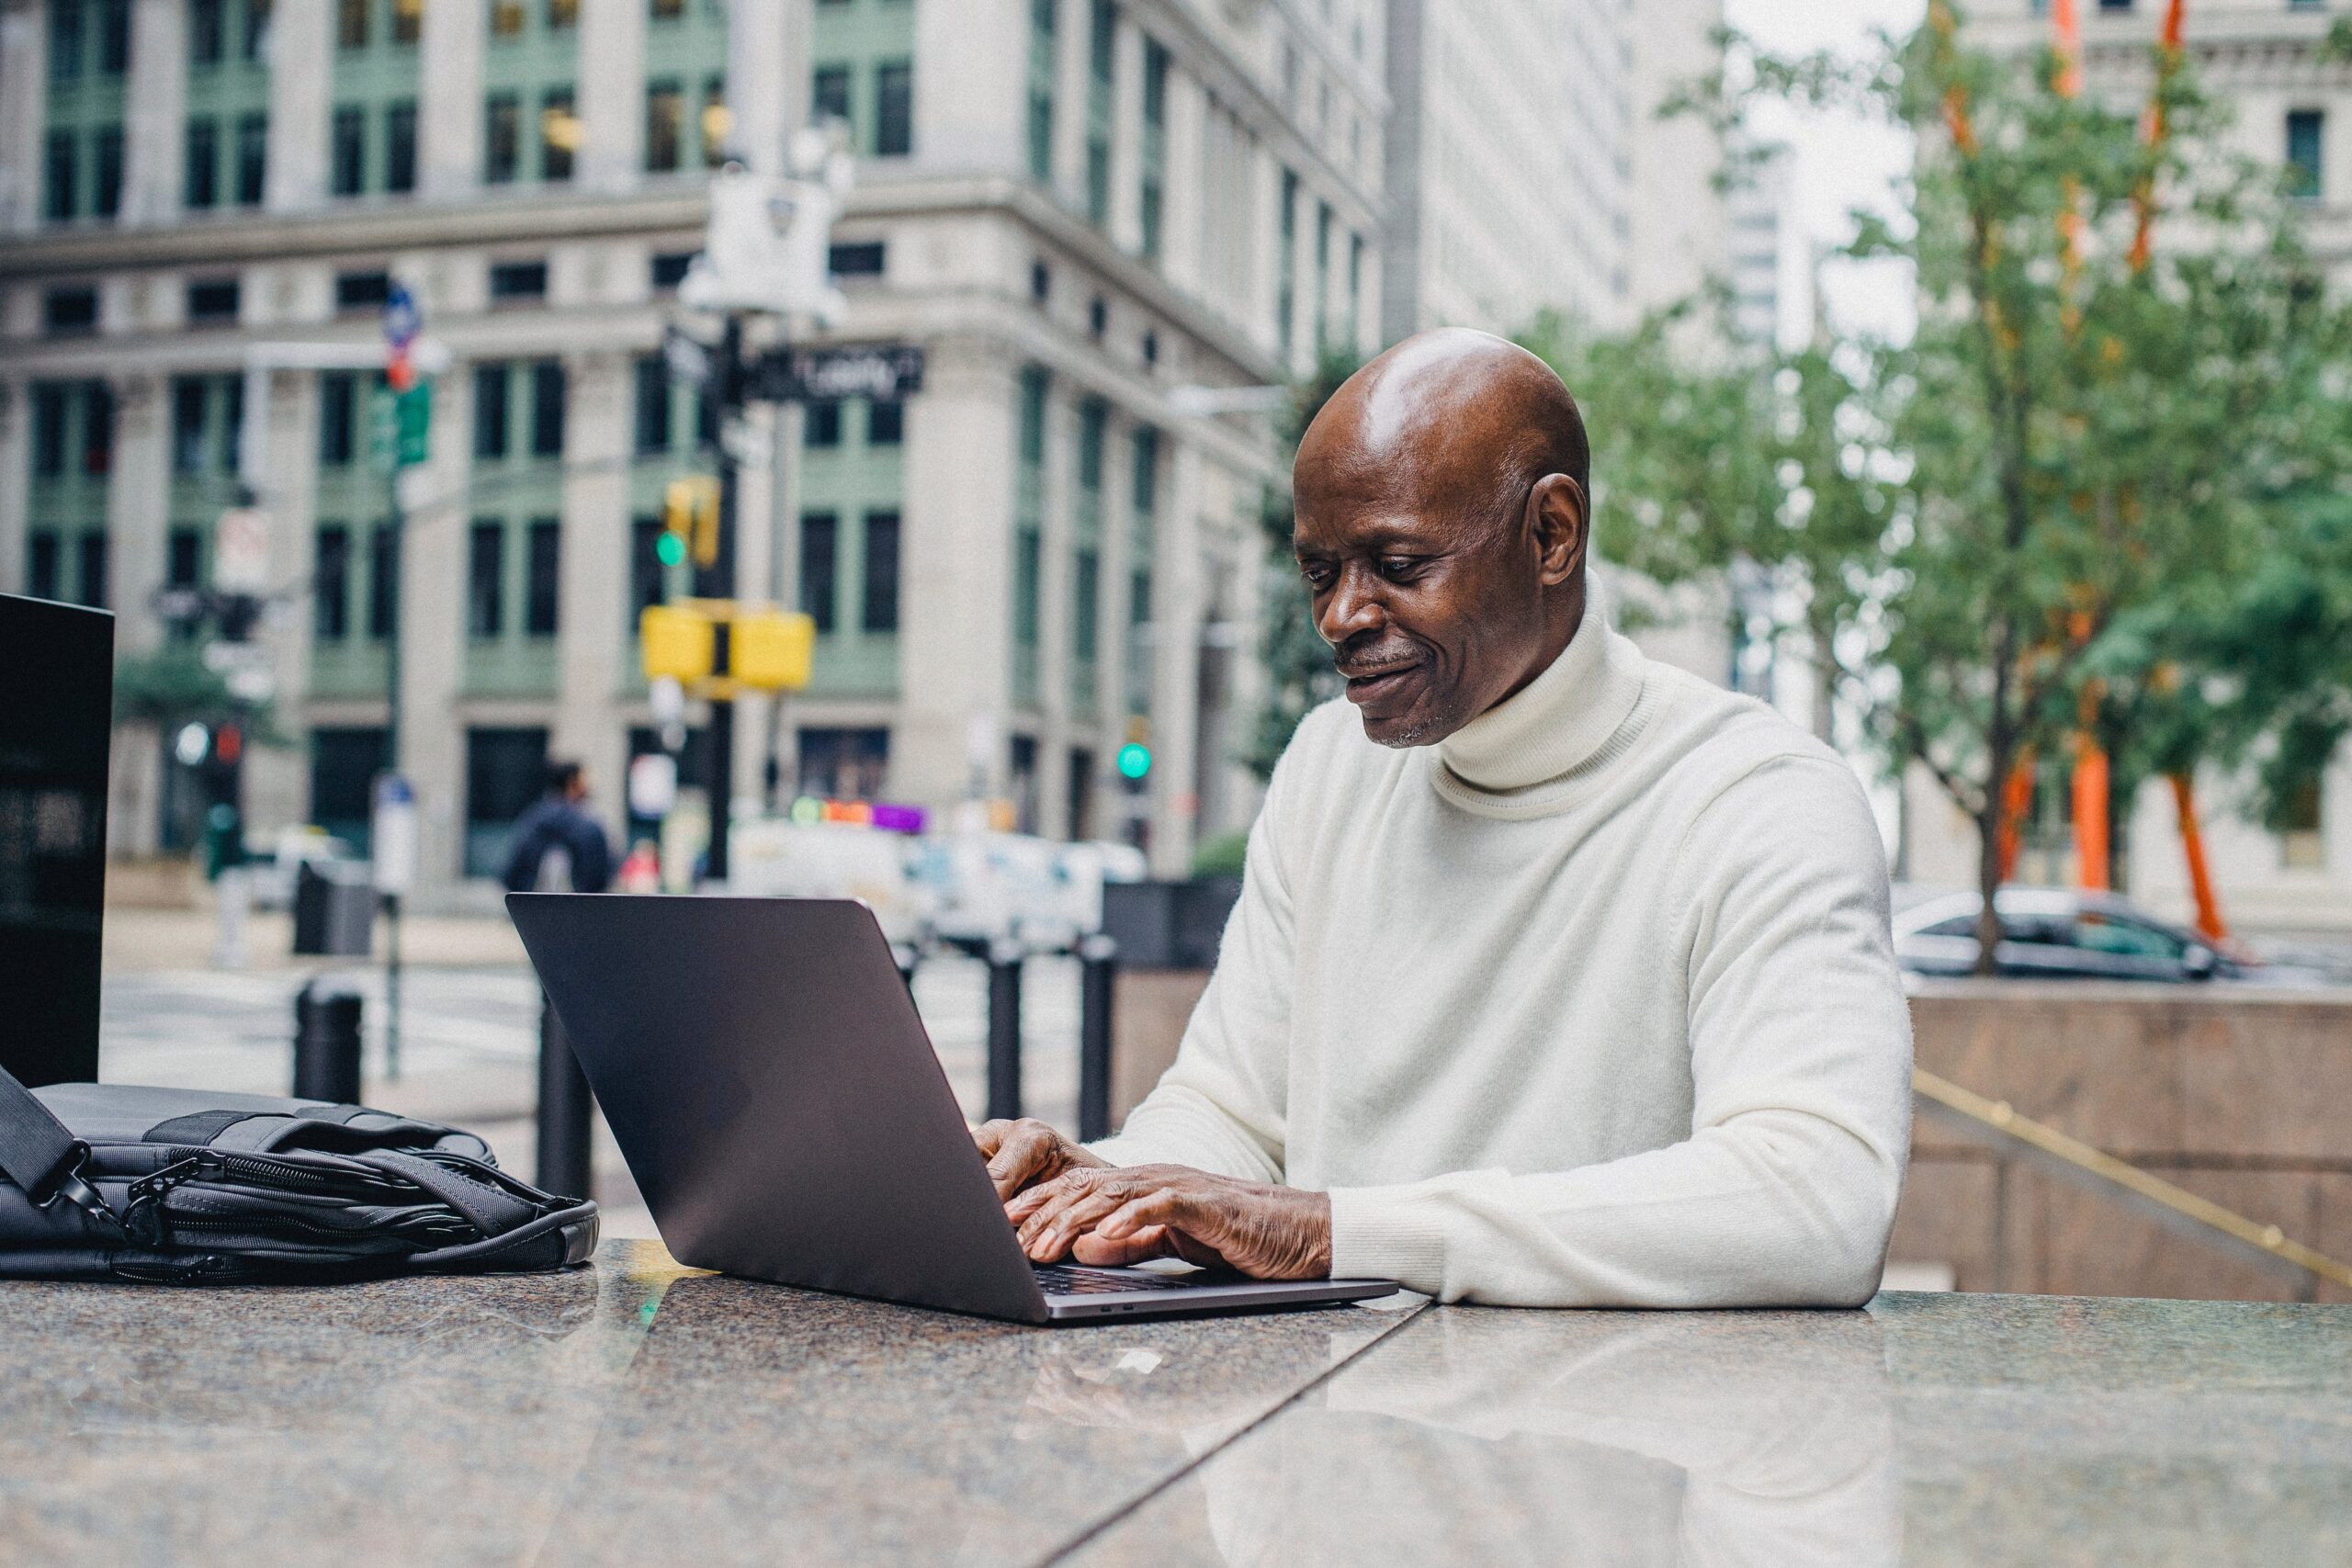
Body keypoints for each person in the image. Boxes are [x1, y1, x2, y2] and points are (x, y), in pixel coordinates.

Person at [978, 329, 1913, 1308]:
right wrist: (1095, 1189)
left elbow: (1818, 1200)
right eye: (1319, 573)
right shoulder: (1324, 767)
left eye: (1397, 562)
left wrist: (1338, 1234)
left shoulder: (1758, 799)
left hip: (1615, 1438)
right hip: (1323, 1425)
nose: (1341, 616)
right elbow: (1233, 1119)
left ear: (1551, 535)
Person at [503, 761, 615, 896]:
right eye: (585, 777)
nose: (590, 782)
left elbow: (512, 871)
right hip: (580, 907)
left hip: (532, 907)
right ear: (572, 781)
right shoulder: (587, 825)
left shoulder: (534, 818)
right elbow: (600, 876)